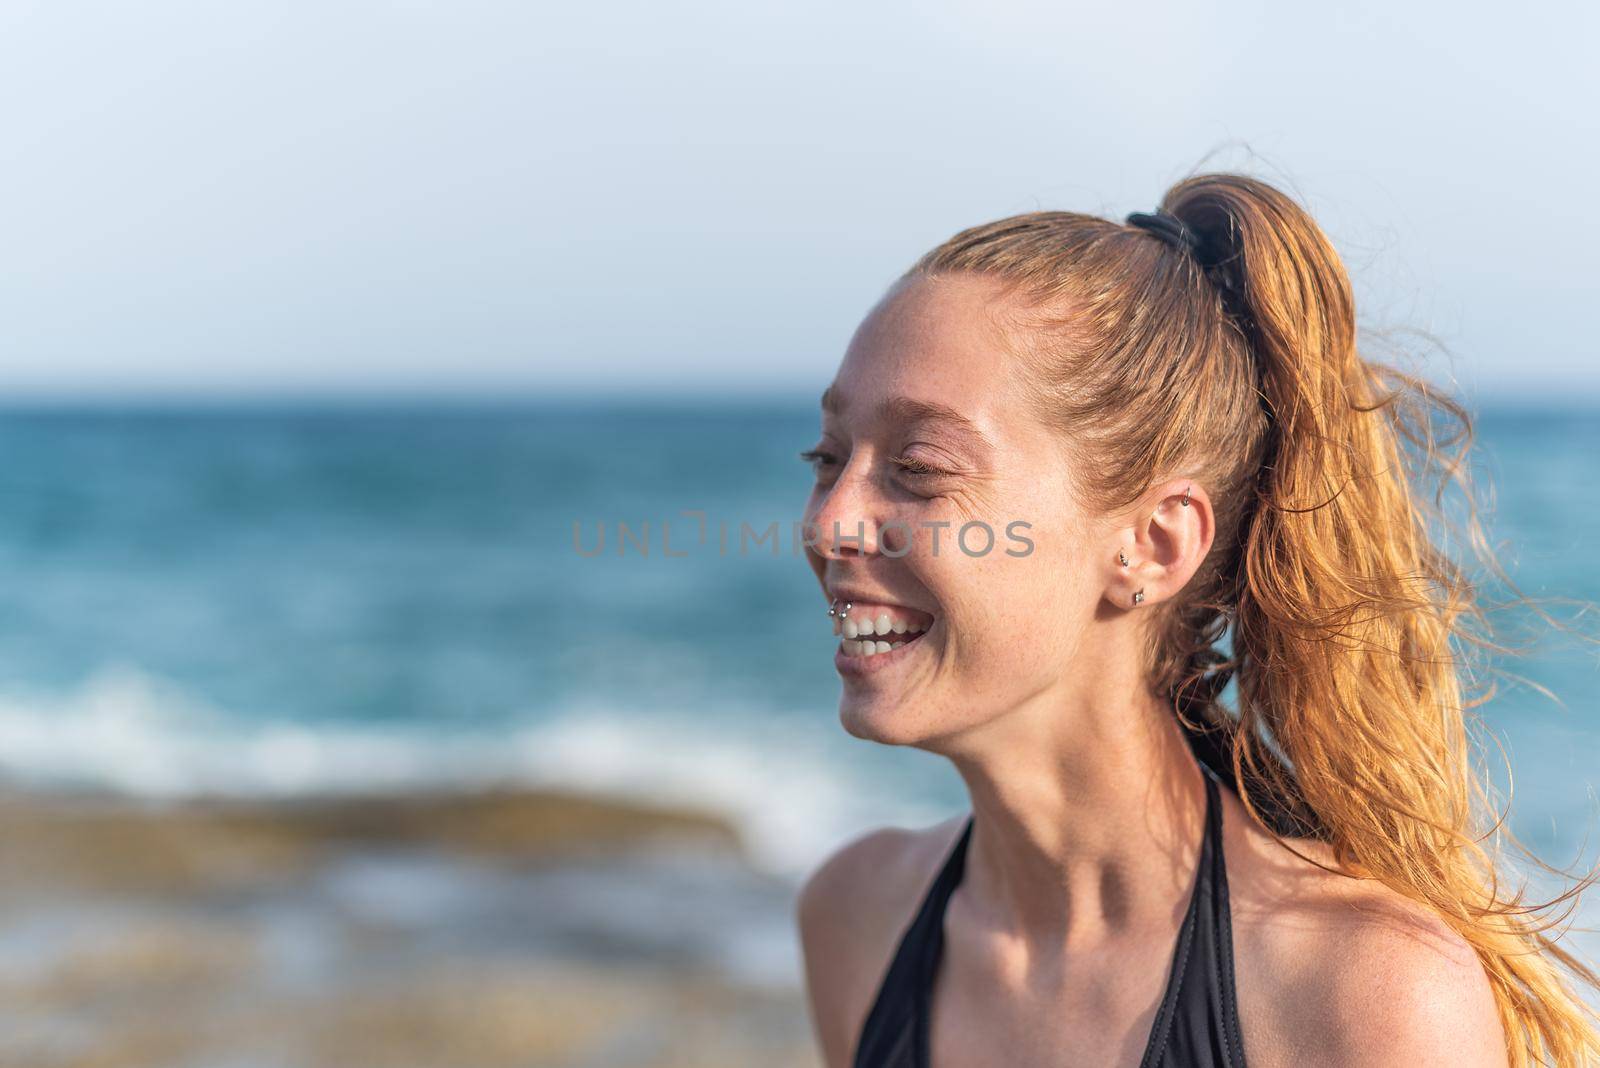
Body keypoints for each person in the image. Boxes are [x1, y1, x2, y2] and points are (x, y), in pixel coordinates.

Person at [792, 172, 1600, 1067]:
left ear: (1153, 543)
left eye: (920, 466)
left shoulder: (1365, 995)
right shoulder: (856, 918)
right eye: (829, 458)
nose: (827, 524)